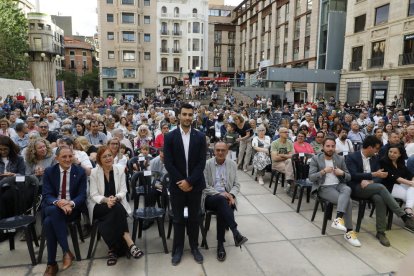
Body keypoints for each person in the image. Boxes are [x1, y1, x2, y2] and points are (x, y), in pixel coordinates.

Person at [346, 136, 414, 247]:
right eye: (376, 148)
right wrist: (371, 176)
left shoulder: (375, 158)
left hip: (371, 186)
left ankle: (380, 232)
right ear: (369, 147)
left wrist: (371, 181)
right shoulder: (351, 157)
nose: (378, 151)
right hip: (357, 188)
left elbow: (381, 176)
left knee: (380, 198)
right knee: (382, 188)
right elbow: (352, 175)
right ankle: (403, 215)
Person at [164, 103, 207, 266]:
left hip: (195, 184)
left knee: (195, 218)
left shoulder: (200, 136)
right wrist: (181, 182)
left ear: (193, 116)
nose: (187, 117)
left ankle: (195, 248)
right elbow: (169, 163)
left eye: (190, 114)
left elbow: (202, 162)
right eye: (185, 114)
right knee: (178, 219)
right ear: (179, 116)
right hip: (177, 185)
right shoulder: (170, 137)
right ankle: (178, 249)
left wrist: (189, 181)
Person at [88, 146, 143, 266]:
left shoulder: (119, 170)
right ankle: (130, 243)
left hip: (116, 202)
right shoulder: (94, 172)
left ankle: (112, 249)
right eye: (104, 156)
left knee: (115, 210)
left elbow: (123, 191)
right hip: (99, 204)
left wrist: (116, 198)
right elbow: (93, 194)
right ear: (99, 160)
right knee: (117, 210)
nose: (108, 158)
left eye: (109, 155)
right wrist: (106, 200)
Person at [41, 146, 87, 276]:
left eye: (70, 156)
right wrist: (59, 203)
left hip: (71, 210)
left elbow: (82, 196)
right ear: (57, 159)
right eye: (64, 157)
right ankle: (66, 251)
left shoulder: (80, 171)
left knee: (49, 222)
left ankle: (52, 264)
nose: (68, 159)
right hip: (54, 207)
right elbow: (47, 195)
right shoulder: (50, 171)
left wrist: (70, 203)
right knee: (54, 212)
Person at [308, 138, 361, 247]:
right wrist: (323, 171)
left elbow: (349, 177)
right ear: (323, 147)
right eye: (328, 146)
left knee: (347, 189)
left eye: (333, 146)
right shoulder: (316, 159)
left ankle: (338, 219)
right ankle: (348, 231)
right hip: (324, 187)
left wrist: (341, 173)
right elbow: (311, 178)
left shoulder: (340, 159)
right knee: (349, 202)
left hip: (338, 185)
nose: (330, 148)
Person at [202, 141, 248, 262]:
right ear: (214, 151)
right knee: (221, 201)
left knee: (222, 207)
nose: (220, 152)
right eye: (218, 150)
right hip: (211, 197)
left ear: (227, 152)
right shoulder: (207, 164)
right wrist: (220, 194)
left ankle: (220, 245)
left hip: (228, 198)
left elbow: (236, 184)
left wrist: (231, 194)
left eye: (223, 150)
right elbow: (204, 185)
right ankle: (235, 232)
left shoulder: (232, 164)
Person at [380, 144, 414, 216]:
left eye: (395, 153)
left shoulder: (400, 162)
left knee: (411, 191)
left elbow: (410, 174)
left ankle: (408, 209)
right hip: (388, 187)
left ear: (400, 155)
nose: (392, 154)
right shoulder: (383, 161)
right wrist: (411, 183)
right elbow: (395, 177)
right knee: (411, 194)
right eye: (390, 151)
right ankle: (408, 210)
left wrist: (412, 181)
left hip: (400, 185)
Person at [271, 127, 295, 196]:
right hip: (277, 164)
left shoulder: (290, 142)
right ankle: (291, 186)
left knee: (290, 163)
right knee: (292, 170)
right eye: (285, 132)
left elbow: (293, 155)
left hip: (287, 162)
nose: (287, 133)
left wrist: (282, 155)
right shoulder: (275, 143)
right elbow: (275, 158)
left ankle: (290, 184)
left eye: (288, 132)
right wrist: (287, 155)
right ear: (280, 133)